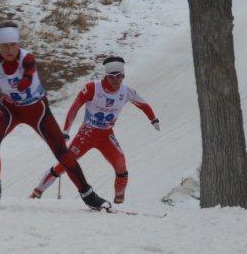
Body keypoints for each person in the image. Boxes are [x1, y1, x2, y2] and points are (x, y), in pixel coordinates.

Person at [0, 22, 110, 210]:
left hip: (36, 110)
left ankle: (89, 196)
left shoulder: (26, 58)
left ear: (18, 44)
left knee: (62, 152)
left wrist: (25, 81)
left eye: (12, 45)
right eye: (4, 46)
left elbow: (30, 72)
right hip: (10, 109)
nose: (9, 50)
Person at [30, 56, 159, 204]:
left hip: (106, 135)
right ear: (106, 76)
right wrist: (66, 130)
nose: (116, 81)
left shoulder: (126, 91)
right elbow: (75, 107)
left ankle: (119, 201)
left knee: (121, 164)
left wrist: (153, 119)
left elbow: (143, 104)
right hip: (87, 134)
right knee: (65, 164)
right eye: (112, 77)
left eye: (120, 76)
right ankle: (37, 192)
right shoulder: (93, 88)